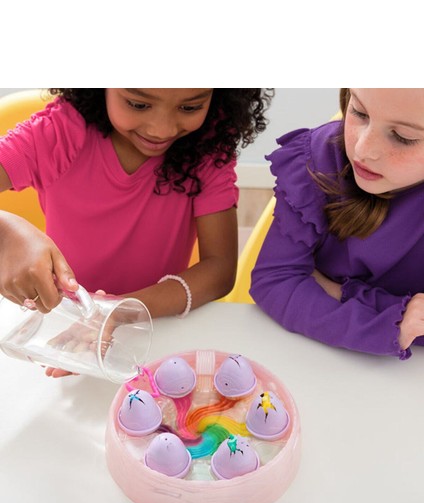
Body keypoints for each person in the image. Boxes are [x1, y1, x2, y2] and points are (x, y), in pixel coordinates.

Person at [0, 88, 273, 375]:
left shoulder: (208, 149)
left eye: (190, 107)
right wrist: (6, 233)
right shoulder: (60, 132)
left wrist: (118, 312)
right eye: (138, 104)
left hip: (157, 331)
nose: (162, 129)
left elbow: (219, 269)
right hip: (60, 328)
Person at [250, 88, 424, 360]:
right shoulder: (320, 157)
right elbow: (274, 281)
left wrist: (337, 290)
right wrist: (387, 323)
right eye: (359, 112)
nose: (363, 150)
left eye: (404, 137)